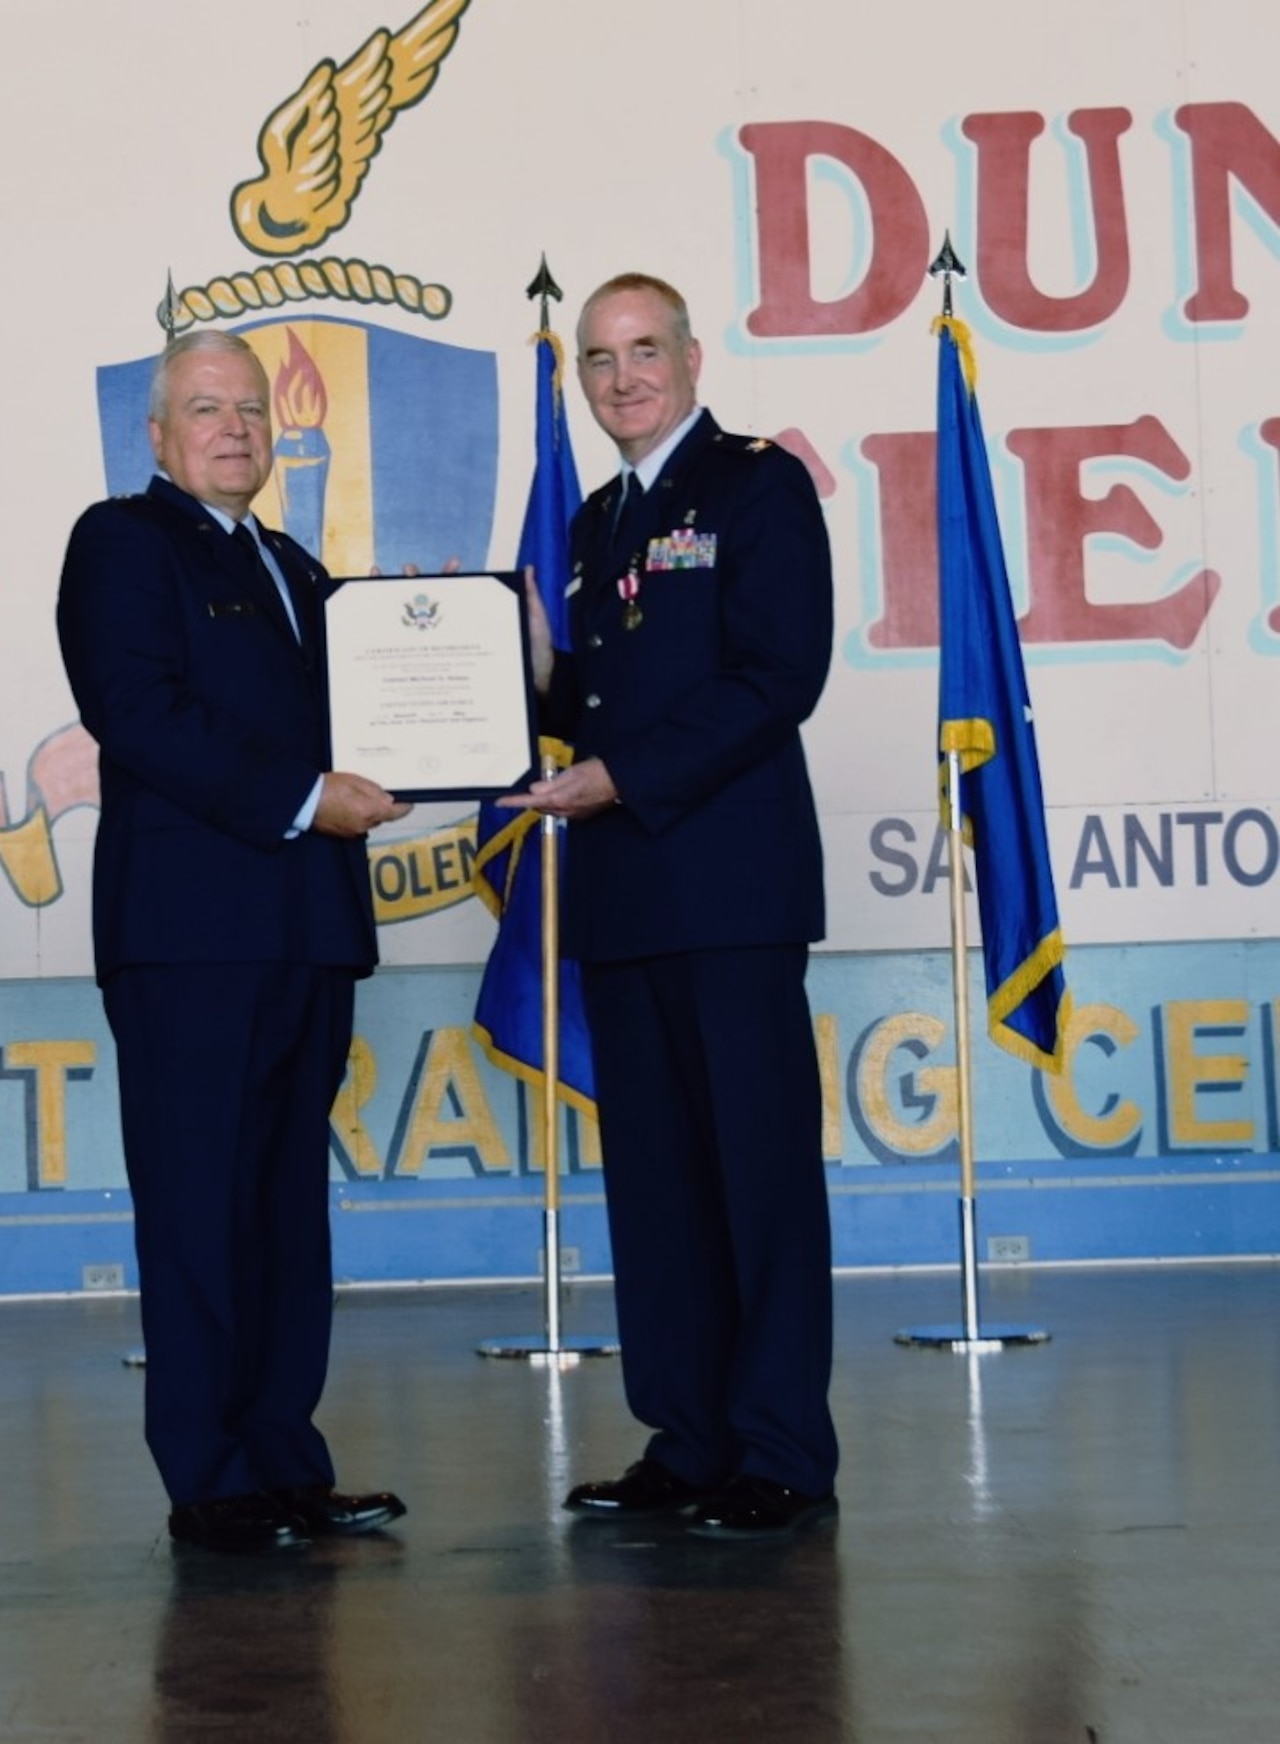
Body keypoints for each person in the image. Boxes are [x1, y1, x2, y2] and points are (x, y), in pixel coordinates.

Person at [56, 329, 410, 1555]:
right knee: (199, 1206)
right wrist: (314, 798)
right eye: (205, 409)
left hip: (304, 933)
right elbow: (142, 716)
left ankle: (284, 1461)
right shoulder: (122, 544)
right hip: (188, 938)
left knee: (279, 1209)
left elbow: (369, 714)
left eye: (251, 409)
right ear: (157, 435)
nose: (234, 428)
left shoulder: (300, 568)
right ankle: (208, 1477)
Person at [503, 273, 839, 1539]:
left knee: (754, 1177)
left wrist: (618, 773)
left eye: (644, 350)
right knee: (653, 1185)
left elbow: (774, 677)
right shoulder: (594, 524)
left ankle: (779, 1447)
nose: (622, 376)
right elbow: (603, 698)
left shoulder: (755, 486)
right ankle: (686, 1435)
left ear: (693, 357)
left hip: (730, 891)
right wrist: (534, 674)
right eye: (598, 358)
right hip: (627, 894)